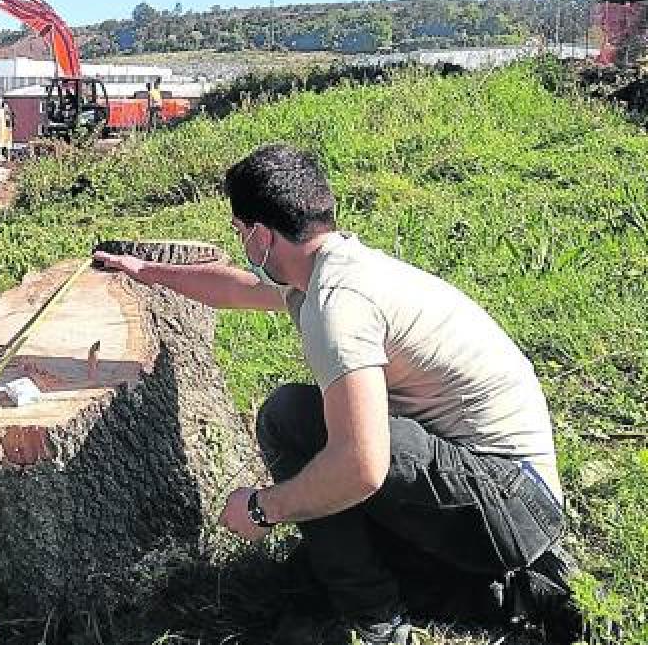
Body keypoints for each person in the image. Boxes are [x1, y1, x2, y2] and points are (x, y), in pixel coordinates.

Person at [93, 144, 580, 645]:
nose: (243, 246)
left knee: (296, 422)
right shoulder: (333, 267)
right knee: (308, 423)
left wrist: (263, 508)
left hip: (514, 507)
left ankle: (375, 620)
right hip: (504, 495)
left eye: (241, 233)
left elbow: (363, 467)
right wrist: (146, 271)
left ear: (261, 235)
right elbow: (238, 288)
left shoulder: (338, 306)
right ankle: (451, 585)